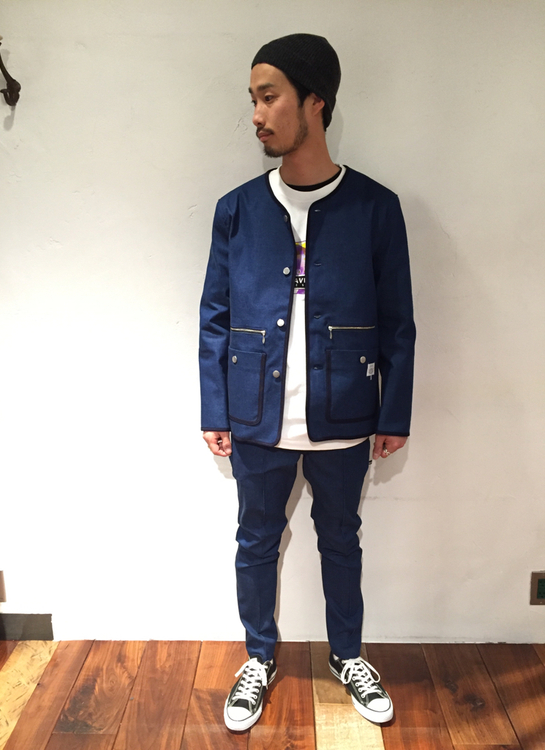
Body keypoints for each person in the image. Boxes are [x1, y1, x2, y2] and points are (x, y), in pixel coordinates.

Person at [199, 33, 415, 732]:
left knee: (341, 540)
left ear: (315, 102)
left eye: (270, 97)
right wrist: (214, 408)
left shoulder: (375, 208)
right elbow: (214, 317)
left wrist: (394, 413)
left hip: (346, 414)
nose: (256, 114)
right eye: (253, 99)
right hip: (256, 416)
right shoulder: (237, 209)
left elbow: (398, 322)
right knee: (255, 541)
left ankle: (348, 655)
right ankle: (258, 657)